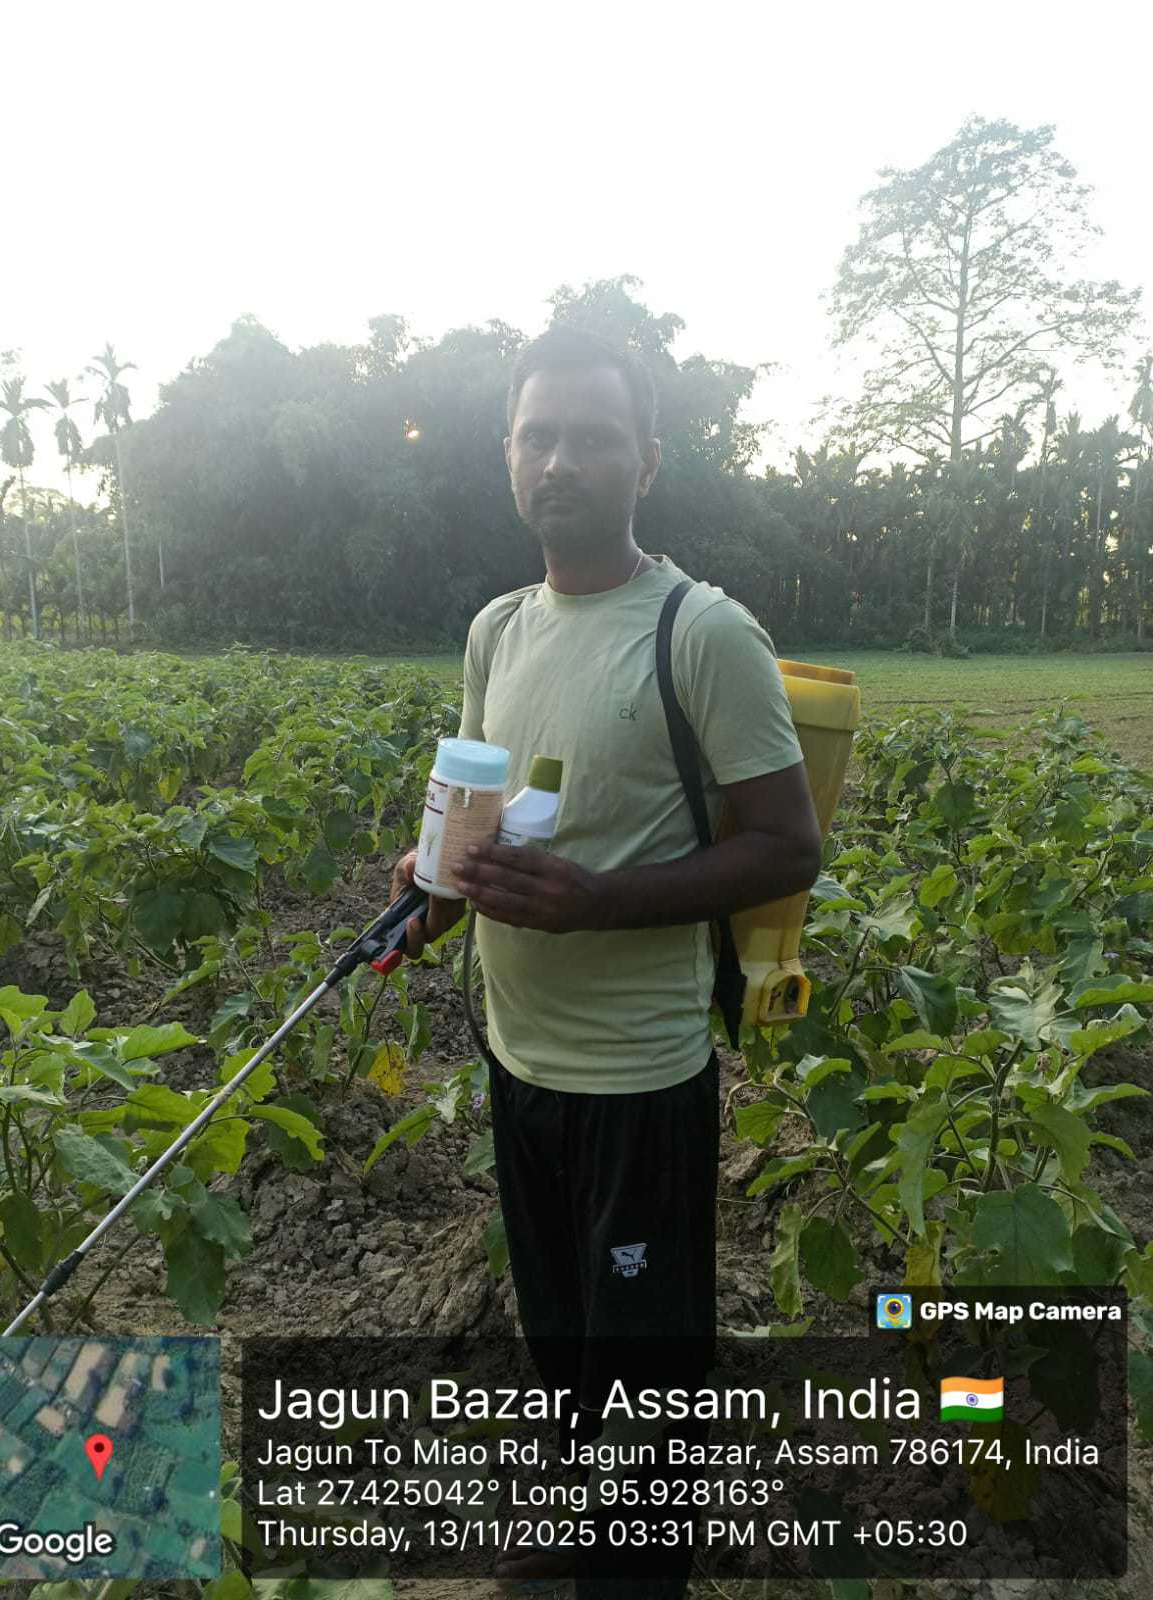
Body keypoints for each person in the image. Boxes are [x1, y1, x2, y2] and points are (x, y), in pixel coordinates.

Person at [390, 325, 821, 1594]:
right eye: (538, 436)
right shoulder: (497, 630)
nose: (560, 460)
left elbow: (787, 845)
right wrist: (429, 896)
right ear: (507, 454)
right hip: (517, 1061)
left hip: (638, 1083)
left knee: (645, 1391)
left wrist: (599, 904)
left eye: (593, 437)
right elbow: (479, 820)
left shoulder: (703, 632)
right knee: (565, 1347)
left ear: (647, 463)